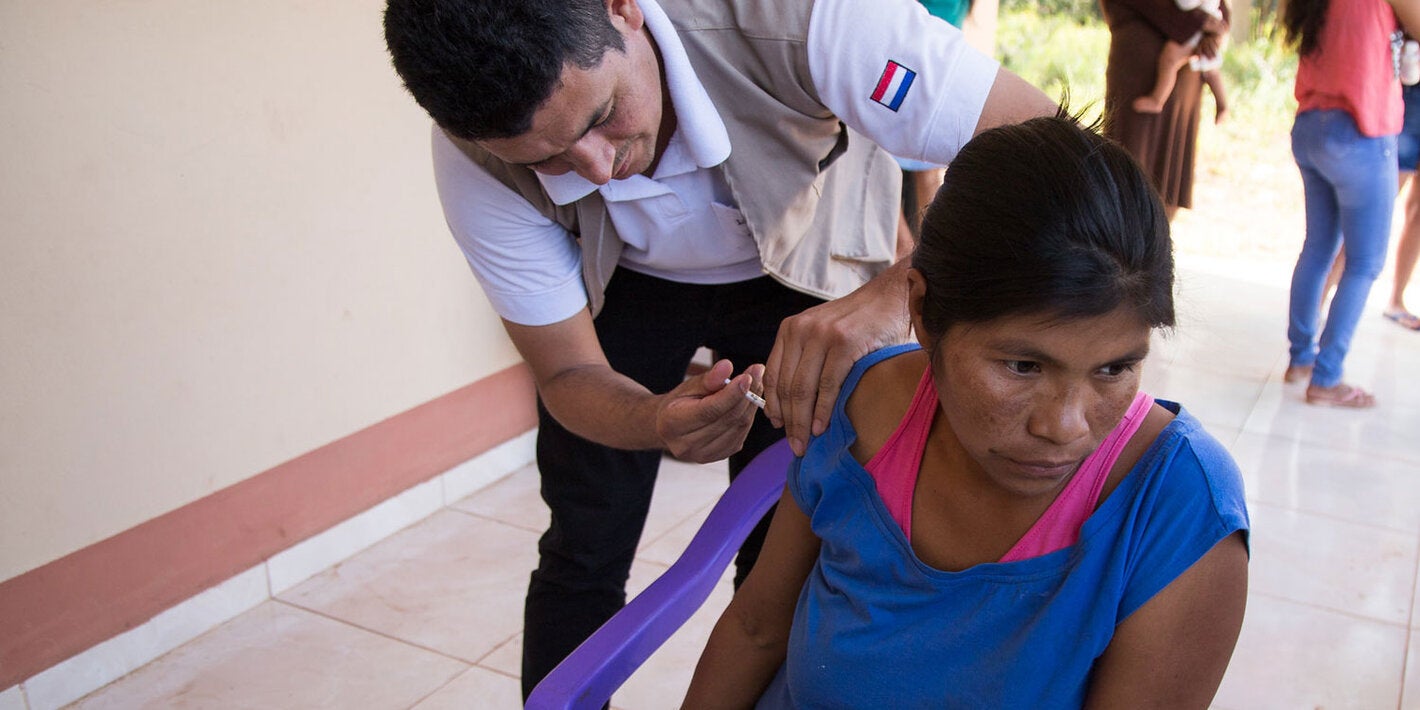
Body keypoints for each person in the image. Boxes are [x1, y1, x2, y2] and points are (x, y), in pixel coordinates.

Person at [381, 0, 1057, 696]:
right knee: (584, 542)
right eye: (550, 160)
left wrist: (893, 296)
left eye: (601, 115)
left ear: (623, 10)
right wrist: (649, 420)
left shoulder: (808, 16)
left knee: (786, 547)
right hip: (627, 281)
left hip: (809, 260)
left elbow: (1044, 139)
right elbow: (566, 371)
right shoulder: (475, 158)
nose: (600, 168)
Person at [683, 112, 1250, 708]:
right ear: (924, 314)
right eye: (1022, 367)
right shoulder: (862, 410)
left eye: (1114, 369)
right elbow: (756, 629)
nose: (1063, 427)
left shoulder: (1180, 505)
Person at [1281, 0, 1420, 408]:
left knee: (1318, 247)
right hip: (1360, 133)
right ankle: (1327, 379)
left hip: (1310, 127)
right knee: (1364, 263)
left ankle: (1300, 360)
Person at [1102, 0, 1229, 219]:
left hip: (1186, 75)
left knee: (1169, 185)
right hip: (1137, 74)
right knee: (1126, 180)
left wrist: (1217, 28)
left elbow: (1219, 10)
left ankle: (1157, 249)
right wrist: (1199, 22)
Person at [1131, 0, 1229, 124]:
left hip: (1197, 26)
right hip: (1205, 23)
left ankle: (1157, 99)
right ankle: (1222, 105)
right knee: (1211, 70)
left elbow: (1185, 4)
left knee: (1169, 60)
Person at [1386, 83, 1420, 331]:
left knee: (1418, 213)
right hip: (1411, 98)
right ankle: (1322, 295)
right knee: (1378, 203)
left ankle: (1396, 300)